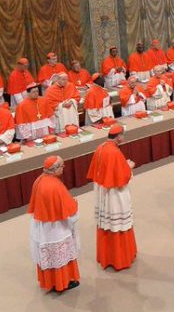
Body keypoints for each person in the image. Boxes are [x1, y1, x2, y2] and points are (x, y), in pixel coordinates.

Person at [87, 124, 137, 271]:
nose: (123, 137)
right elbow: (122, 177)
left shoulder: (101, 147)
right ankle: (120, 258)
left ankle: (106, 256)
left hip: (103, 192)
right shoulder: (114, 152)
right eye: (123, 135)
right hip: (114, 194)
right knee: (118, 224)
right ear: (119, 136)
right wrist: (129, 167)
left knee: (107, 224)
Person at [28, 156, 81, 293]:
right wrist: (75, 205)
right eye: (62, 166)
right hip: (56, 228)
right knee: (59, 255)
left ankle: (50, 282)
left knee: (49, 256)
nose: (63, 168)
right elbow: (70, 209)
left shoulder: (39, 180)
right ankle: (62, 283)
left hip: (42, 226)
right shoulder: (55, 186)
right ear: (55, 169)